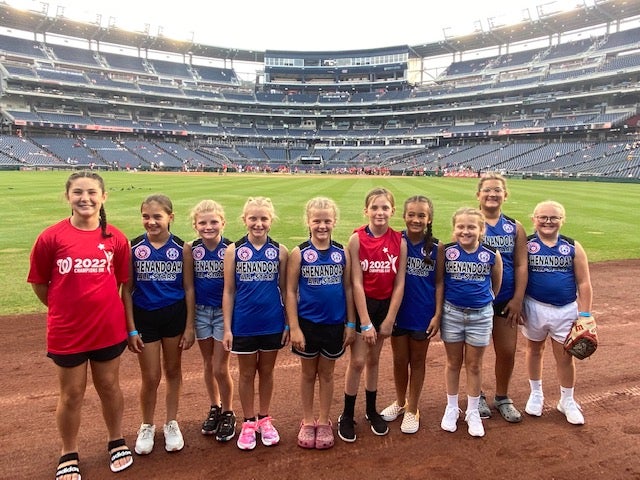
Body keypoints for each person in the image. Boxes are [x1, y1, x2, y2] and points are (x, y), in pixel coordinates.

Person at [27, 171, 134, 480]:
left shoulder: (116, 238)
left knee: (110, 387)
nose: (84, 198)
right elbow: (39, 283)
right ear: (67, 197)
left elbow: (123, 284)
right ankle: (68, 451)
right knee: (72, 394)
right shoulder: (51, 237)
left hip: (107, 327)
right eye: (78, 192)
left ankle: (116, 440)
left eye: (91, 192)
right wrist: (62, 308)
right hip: (67, 330)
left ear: (103, 197)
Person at [122, 194, 195, 456]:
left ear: (170, 218)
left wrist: (189, 326)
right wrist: (130, 328)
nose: (151, 222)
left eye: (157, 216)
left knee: (173, 371)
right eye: (146, 216)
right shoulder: (133, 248)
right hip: (145, 317)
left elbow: (188, 288)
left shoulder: (182, 248)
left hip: (174, 315)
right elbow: (127, 289)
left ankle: (172, 422)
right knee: (151, 376)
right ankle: (147, 424)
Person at [337, 187, 407, 442]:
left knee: (374, 360)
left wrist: (389, 319)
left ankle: (370, 409)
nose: (380, 212)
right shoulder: (357, 239)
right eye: (374, 207)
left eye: (385, 207)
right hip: (363, 306)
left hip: (385, 307)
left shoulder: (399, 240)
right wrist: (364, 321)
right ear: (366, 210)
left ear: (392, 211)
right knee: (357, 361)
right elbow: (355, 281)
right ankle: (346, 414)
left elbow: (400, 283)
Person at [286, 197, 356, 449]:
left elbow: (348, 288)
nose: (322, 226)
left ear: (334, 221)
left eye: (327, 221)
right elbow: (291, 291)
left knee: (327, 375)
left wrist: (350, 323)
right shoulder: (300, 253)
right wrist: (293, 327)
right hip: (307, 324)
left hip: (334, 324)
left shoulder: (341, 253)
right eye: (317, 221)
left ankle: (325, 420)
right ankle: (307, 420)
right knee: (307, 374)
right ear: (308, 222)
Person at [222, 196, 289, 451]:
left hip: (271, 323)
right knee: (247, 373)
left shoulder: (280, 251)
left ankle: (264, 418)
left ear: (271, 220)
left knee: (267, 372)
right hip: (244, 323)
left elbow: (285, 289)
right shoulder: (234, 250)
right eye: (253, 218)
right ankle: (248, 422)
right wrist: (227, 328)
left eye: (263, 218)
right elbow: (229, 291)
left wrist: (287, 324)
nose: (258, 223)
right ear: (244, 220)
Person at [522, 200, 593, 425]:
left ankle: (567, 400)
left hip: (565, 309)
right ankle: (536, 393)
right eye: (542, 217)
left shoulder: (572, 246)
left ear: (562, 220)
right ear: (534, 219)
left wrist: (585, 315)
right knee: (534, 350)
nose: (548, 221)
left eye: (554, 217)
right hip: (534, 306)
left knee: (565, 355)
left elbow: (584, 283)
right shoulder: (526, 245)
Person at [380, 195, 444, 434]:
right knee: (399, 360)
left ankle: (413, 408)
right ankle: (399, 402)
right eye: (412, 214)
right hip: (397, 312)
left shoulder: (437, 248)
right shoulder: (395, 241)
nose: (416, 220)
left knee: (417, 361)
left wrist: (437, 314)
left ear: (429, 219)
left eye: (421, 215)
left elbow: (439, 283)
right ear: (404, 216)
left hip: (422, 313)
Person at [440, 207, 502, 438]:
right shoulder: (446, 252)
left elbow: (496, 284)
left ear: (481, 230)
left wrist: (486, 302)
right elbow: (440, 282)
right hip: (452, 313)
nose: (465, 231)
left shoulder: (490, 253)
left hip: (480, 315)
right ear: (454, 229)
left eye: (471, 227)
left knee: (474, 365)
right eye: (461, 227)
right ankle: (452, 407)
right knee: (453, 363)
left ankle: (473, 411)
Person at [475, 173, 527, 423]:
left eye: (497, 190)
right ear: (478, 195)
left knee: (506, 351)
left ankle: (502, 397)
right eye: (487, 190)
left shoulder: (514, 227)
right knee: (475, 352)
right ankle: (477, 396)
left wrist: (518, 298)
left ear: (505, 195)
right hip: (477, 299)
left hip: (505, 299)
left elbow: (520, 265)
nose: (492, 194)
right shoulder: (471, 222)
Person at [187, 200, 236, 442]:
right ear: (195, 225)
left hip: (222, 313)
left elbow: (233, 287)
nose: (209, 227)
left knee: (219, 366)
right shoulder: (191, 249)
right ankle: (214, 406)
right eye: (203, 222)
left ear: (223, 223)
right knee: (208, 364)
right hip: (201, 313)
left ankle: (228, 410)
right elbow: (188, 285)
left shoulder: (232, 248)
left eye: (214, 222)